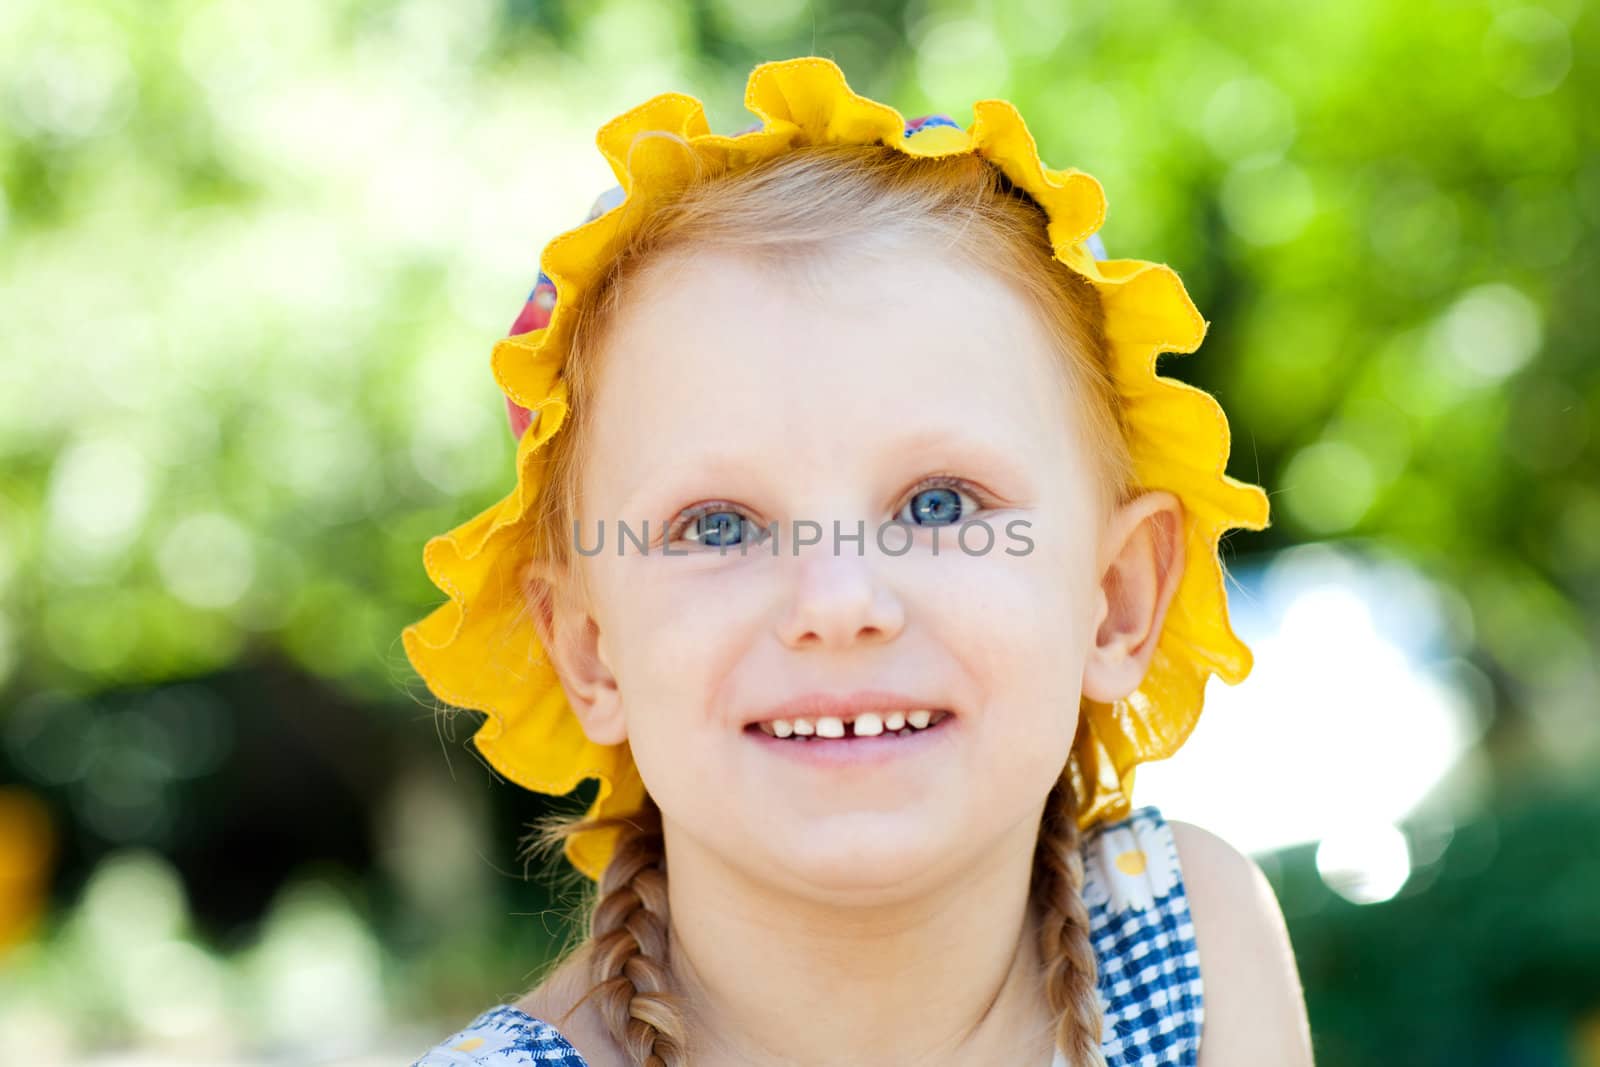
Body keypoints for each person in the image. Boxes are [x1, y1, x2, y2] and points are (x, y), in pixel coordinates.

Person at [403, 56, 1313, 1067]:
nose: (836, 601)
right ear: (589, 652)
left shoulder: (1189, 939)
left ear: (1114, 599)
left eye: (936, 504)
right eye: (717, 525)